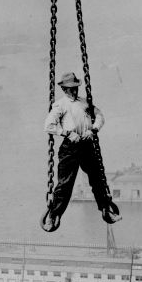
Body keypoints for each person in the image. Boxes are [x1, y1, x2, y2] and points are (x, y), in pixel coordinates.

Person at [41, 72, 121, 232]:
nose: (74, 91)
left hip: (87, 145)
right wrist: (67, 133)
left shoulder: (85, 103)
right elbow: (48, 125)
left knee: (98, 179)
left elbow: (100, 116)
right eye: (70, 88)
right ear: (64, 89)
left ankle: (106, 210)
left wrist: (93, 129)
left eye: (75, 88)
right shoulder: (60, 105)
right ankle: (54, 216)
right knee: (65, 185)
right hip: (70, 147)